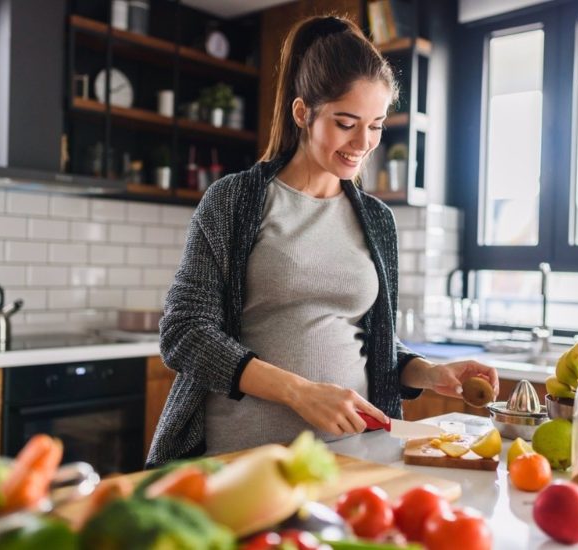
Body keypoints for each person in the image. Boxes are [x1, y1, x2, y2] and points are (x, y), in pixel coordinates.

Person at [146, 15, 498, 467]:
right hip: (241, 459)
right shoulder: (235, 200)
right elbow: (185, 333)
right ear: (302, 113)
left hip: (352, 457)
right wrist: (299, 393)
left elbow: (372, 342)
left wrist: (428, 372)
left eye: (375, 125)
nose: (363, 142)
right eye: (346, 123)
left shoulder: (376, 220)